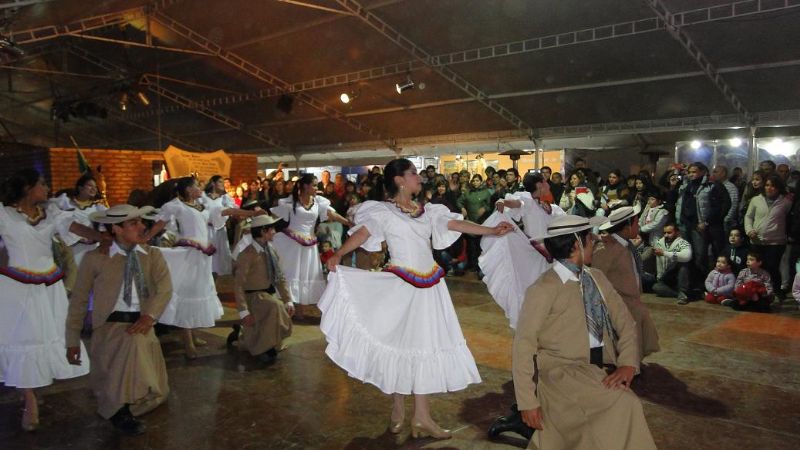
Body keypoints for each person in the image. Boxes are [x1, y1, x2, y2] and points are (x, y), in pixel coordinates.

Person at [319, 159, 513, 439]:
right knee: (401, 345)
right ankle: (399, 410)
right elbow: (363, 233)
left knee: (423, 346)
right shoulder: (382, 212)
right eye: (413, 173)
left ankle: (421, 417)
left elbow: (455, 223)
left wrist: (491, 230)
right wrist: (338, 254)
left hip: (430, 287)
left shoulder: (428, 211)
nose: (419, 177)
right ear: (399, 180)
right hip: (402, 286)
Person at [513, 214, 657, 450]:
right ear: (577, 244)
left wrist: (628, 362)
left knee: (608, 420)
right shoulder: (543, 289)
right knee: (624, 404)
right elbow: (523, 346)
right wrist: (527, 402)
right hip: (561, 372)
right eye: (590, 239)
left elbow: (625, 322)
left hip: (592, 370)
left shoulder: (595, 278)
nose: (595, 243)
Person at [0, 169, 104, 431]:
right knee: (25, 338)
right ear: (26, 188)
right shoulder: (4, 214)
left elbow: (76, 228)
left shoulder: (53, 213)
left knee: (49, 336)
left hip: (49, 287)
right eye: (42, 184)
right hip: (18, 288)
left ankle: (39, 383)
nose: (47, 189)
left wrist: (106, 238)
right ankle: (29, 399)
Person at [66, 204, 172, 435]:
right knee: (129, 342)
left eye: (141, 221)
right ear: (116, 229)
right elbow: (79, 301)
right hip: (110, 325)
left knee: (135, 343)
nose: (142, 226)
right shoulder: (95, 258)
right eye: (134, 223)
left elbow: (164, 289)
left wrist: (149, 316)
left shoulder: (152, 255)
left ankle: (118, 402)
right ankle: (118, 409)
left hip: (143, 322)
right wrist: (72, 339)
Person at [145, 177, 262, 359]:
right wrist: (143, 240)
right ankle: (188, 341)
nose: (200, 188)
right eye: (196, 185)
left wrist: (251, 214)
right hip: (188, 254)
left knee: (197, 293)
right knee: (186, 293)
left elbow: (226, 211)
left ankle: (192, 334)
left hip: (202, 256)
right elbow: (159, 224)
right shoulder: (175, 206)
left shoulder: (203, 205)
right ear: (188, 189)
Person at [270, 174, 351, 316]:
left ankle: (301, 309)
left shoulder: (319, 201)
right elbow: (274, 218)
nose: (316, 188)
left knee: (307, 275)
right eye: (313, 185)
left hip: (310, 244)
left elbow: (332, 214)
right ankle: (290, 307)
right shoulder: (291, 202)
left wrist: (348, 223)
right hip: (292, 244)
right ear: (305, 186)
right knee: (292, 273)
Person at [593, 207, 660, 363]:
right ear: (627, 226)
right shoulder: (606, 247)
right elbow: (597, 277)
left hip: (632, 301)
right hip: (620, 304)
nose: (639, 227)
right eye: (636, 223)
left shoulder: (624, 245)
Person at [234, 215, 294, 367]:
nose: (274, 232)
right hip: (253, 296)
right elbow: (238, 284)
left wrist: (288, 299)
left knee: (277, 306)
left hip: (266, 294)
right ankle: (264, 348)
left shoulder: (271, 250)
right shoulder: (247, 254)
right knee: (275, 306)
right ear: (262, 231)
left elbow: (280, 277)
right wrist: (244, 311)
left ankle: (263, 343)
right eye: (271, 229)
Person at [744, 174, 792, 298]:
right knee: (759, 268)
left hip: (776, 242)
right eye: (767, 185)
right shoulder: (756, 200)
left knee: (772, 267)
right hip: (757, 240)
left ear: (778, 188)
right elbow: (748, 217)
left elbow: (790, 219)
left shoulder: (786, 202)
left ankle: (776, 291)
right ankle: (759, 292)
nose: (769, 188)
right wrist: (749, 230)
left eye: (773, 186)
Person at [54, 173, 107, 267]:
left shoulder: (98, 208)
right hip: (73, 249)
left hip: (92, 248)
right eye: (90, 185)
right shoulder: (66, 204)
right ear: (80, 188)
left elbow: (105, 227)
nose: (93, 189)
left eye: (95, 186)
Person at [201, 175, 238, 276]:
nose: (223, 184)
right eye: (220, 182)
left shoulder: (224, 197)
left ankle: (216, 283)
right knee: (208, 258)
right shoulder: (203, 196)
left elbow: (232, 209)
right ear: (213, 183)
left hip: (220, 231)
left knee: (219, 259)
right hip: (207, 230)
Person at [652, 223, 693, 303]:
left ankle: (683, 292)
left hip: (680, 276)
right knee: (656, 287)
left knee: (683, 264)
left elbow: (687, 256)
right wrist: (660, 277)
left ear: (677, 232)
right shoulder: (659, 243)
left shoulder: (683, 243)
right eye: (664, 233)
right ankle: (680, 294)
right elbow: (659, 262)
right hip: (667, 276)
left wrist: (664, 253)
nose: (666, 235)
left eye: (669, 233)